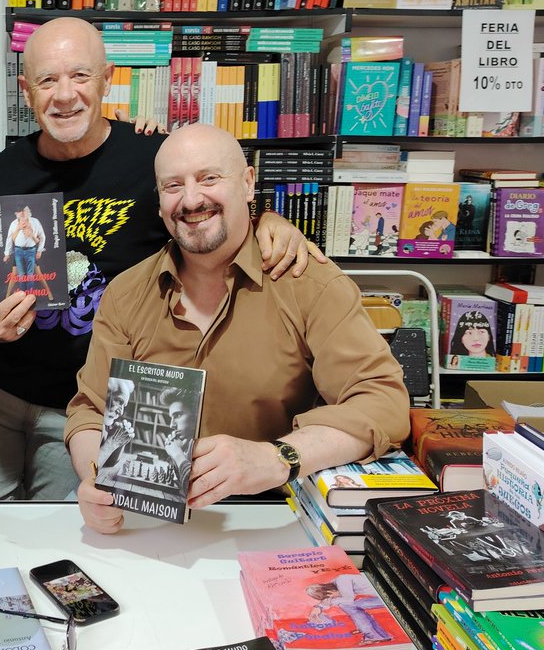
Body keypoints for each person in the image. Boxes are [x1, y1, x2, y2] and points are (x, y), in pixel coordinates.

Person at [0, 17, 320, 501]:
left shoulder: (155, 157)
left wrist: (269, 220)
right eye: (47, 80)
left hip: (90, 405)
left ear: (107, 79)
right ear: (26, 90)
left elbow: (211, 210)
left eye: (80, 76)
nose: (65, 95)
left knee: (66, 536)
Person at [67, 123, 409, 533]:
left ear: (248, 183)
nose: (191, 199)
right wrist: (95, 479)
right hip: (147, 520)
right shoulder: (126, 293)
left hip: (271, 517)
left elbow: (381, 402)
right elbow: (91, 410)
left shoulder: (308, 283)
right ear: (159, 201)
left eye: (209, 178)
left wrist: (277, 457)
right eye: (173, 186)